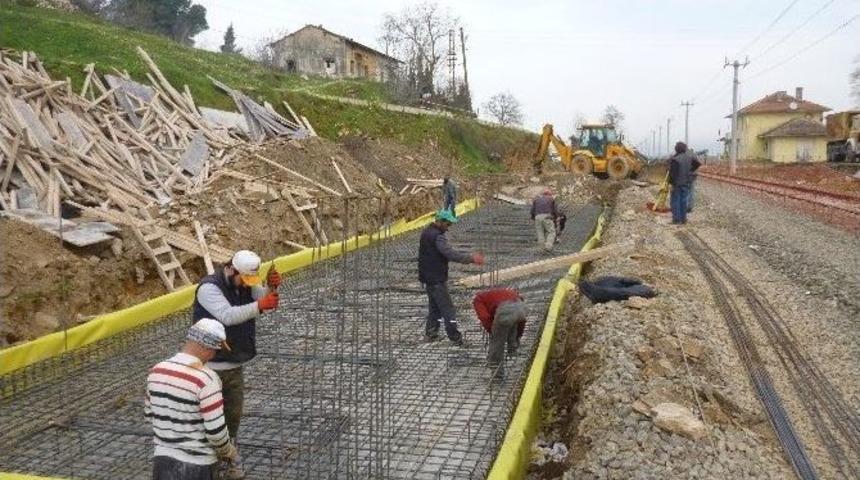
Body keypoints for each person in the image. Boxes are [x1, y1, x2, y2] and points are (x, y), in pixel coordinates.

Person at [191, 250, 280, 466]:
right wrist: (260, 306)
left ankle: (227, 459)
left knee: (232, 415)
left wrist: (271, 288)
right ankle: (205, 462)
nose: (247, 284)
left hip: (233, 362)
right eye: (245, 279)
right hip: (210, 365)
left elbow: (261, 297)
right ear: (231, 270)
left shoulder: (243, 282)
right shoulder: (209, 288)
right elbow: (227, 315)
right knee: (209, 416)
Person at [145, 318, 239, 480]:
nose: (213, 355)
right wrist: (228, 451)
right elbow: (216, 433)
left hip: (163, 462)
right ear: (207, 348)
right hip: (198, 466)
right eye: (215, 350)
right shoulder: (206, 379)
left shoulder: (157, 371)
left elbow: (149, 416)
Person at [418, 209, 484, 345]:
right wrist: (471, 258)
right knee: (448, 310)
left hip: (428, 277)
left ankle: (431, 334)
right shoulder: (437, 236)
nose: (448, 228)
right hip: (436, 278)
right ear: (440, 221)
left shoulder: (426, 232)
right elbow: (450, 253)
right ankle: (456, 338)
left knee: (434, 307)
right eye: (447, 224)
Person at [472, 288, 527, 378]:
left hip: (504, 310)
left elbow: (484, 317)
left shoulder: (478, 300)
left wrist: (492, 331)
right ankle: (513, 349)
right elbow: (521, 322)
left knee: (497, 343)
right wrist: (518, 336)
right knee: (512, 323)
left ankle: (497, 372)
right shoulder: (507, 292)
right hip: (520, 306)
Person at [667, 142, 701, 224]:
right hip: (686, 182)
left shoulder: (675, 159)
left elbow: (673, 174)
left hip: (677, 183)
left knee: (675, 201)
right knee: (683, 201)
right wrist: (690, 171)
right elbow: (698, 164)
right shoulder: (689, 158)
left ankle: (676, 219)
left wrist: (670, 183)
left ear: (676, 149)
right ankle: (684, 219)